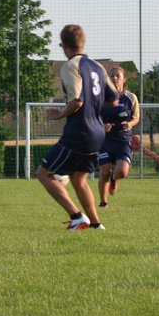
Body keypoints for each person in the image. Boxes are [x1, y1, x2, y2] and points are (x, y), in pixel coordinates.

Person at [36, 24, 115, 230]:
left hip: (79, 132)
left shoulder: (70, 66)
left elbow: (77, 101)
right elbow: (113, 100)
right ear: (83, 43)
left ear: (63, 45)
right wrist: (94, 108)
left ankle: (77, 216)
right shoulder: (98, 66)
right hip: (97, 133)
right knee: (79, 178)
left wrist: (60, 114)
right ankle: (96, 224)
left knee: (44, 173)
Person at [97, 66, 140, 208]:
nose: (114, 78)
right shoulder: (100, 97)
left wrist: (129, 124)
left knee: (121, 172)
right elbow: (92, 117)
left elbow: (136, 117)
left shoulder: (131, 97)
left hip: (123, 139)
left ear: (124, 79)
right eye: (111, 76)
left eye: (117, 76)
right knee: (105, 170)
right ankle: (103, 202)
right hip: (105, 139)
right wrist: (102, 126)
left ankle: (114, 178)